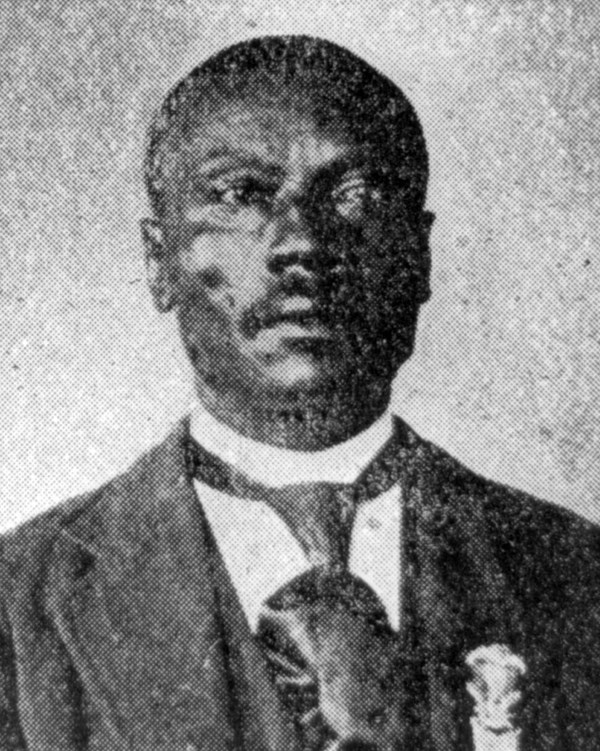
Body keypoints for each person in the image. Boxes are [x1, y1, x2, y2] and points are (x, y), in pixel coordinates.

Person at [1, 35, 599, 751]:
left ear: (420, 255)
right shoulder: (19, 602)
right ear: (159, 261)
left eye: (355, 196)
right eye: (240, 194)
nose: (303, 243)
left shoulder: (575, 574)